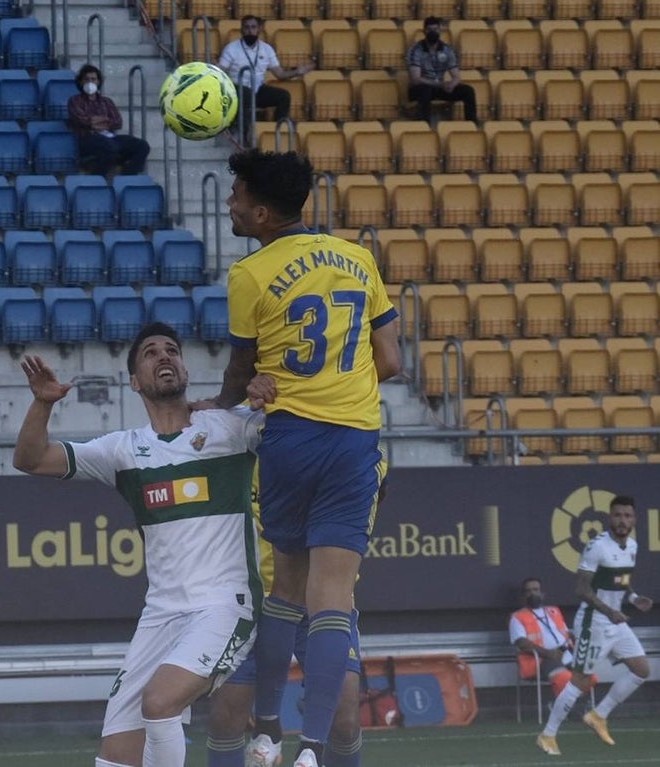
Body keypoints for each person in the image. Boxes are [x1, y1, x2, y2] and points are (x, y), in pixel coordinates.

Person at [205, 149, 401, 767]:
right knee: (333, 598)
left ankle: (268, 729)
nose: (230, 205)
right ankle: (313, 749)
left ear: (262, 213)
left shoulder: (250, 274)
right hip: (354, 441)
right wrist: (345, 381)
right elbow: (392, 360)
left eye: (237, 196)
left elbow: (240, 368)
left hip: (290, 438)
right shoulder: (358, 257)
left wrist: (225, 402)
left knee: (285, 588)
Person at [13, 322, 264, 767]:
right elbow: (30, 458)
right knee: (117, 755)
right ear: (134, 381)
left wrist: (271, 395)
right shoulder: (123, 451)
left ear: (185, 369)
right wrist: (43, 403)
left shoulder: (231, 427)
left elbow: (300, 432)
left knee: (160, 702)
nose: (164, 356)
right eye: (150, 353)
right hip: (161, 615)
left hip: (225, 606)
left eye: (172, 350)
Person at [207, 464, 374, 767]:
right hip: (250, 599)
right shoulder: (246, 445)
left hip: (324, 601)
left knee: (345, 718)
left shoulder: (358, 448)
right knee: (226, 715)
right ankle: (267, 731)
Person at [537, 496, 652, 757]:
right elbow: (581, 589)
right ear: (609, 517)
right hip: (594, 621)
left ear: (634, 520)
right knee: (580, 681)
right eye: (617, 515)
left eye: (627, 516)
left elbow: (622, 580)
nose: (622, 520)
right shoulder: (597, 546)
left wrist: (633, 597)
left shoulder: (632, 545)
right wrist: (610, 611)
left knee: (641, 669)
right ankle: (548, 735)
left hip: (615, 621)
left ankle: (598, 715)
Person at [217, 15, 313, 139]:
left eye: (253, 27)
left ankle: (277, 132)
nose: (250, 31)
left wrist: (297, 72)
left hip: (257, 90)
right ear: (241, 30)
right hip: (236, 90)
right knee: (246, 94)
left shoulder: (266, 49)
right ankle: (242, 134)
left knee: (284, 96)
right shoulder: (231, 48)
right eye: (246, 27)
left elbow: (280, 74)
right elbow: (221, 69)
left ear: (259, 29)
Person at [67, 63, 150, 177]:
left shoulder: (106, 102)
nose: (90, 82)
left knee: (142, 146)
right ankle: (97, 178)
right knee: (110, 147)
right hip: (87, 139)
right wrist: (103, 121)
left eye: (93, 79)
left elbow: (117, 122)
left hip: (110, 137)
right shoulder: (75, 101)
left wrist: (94, 122)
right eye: (86, 79)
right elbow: (82, 120)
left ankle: (127, 177)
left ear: (98, 81)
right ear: (81, 82)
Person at [510, 577, 577, 700]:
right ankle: (559, 707)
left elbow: (567, 634)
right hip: (542, 660)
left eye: (536, 590)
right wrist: (549, 654)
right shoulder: (518, 617)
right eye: (528, 591)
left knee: (589, 678)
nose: (532, 593)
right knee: (565, 678)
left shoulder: (554, 611)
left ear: (542, 593)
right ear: (524, 596)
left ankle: (569, 705)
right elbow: (522, 643)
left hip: (567, 654)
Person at [406, 16, 478, 125]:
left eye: (436, 29)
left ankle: (472, 125)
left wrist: (452, 84)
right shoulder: (416, 50)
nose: (433, 32)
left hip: (439, 88)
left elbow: (456, 76)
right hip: (420, 89)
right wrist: (439, 84)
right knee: (425, 91)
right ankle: (424, 126)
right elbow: (416, 79)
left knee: (468, 91)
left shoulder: (447, 50)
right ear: (424, 31)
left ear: (440, 30)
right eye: (429, 30)